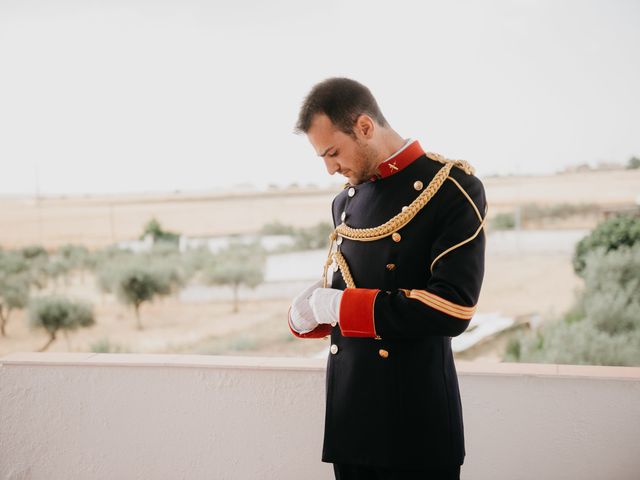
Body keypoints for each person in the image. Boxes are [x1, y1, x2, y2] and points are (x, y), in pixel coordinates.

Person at [288, 77, 488, 480]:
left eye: (333, 153)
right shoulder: (345, 201)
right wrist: (307, 312)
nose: (330, 170)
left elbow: (453, 308)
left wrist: (344, 306)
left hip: (414, 428)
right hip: (350, 423)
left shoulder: (451, 188)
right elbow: (345, 288)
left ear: (364, 127)